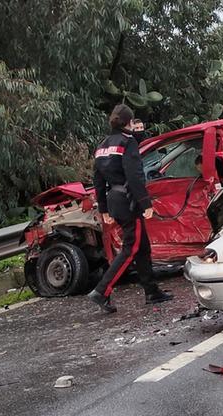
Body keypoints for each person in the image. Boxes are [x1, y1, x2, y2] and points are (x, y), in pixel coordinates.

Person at [87, 104, 173, 313]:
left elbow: (97, 180)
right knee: (131, 247)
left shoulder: (102, 146)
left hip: (113, 199)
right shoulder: (128, 142)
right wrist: (146, 203)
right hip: (128, 200)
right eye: (134, 121)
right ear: (129, 122)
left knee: (142, 246)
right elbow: (134, 176)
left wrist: (104, 209)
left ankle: (152, 291)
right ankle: (101, 291)